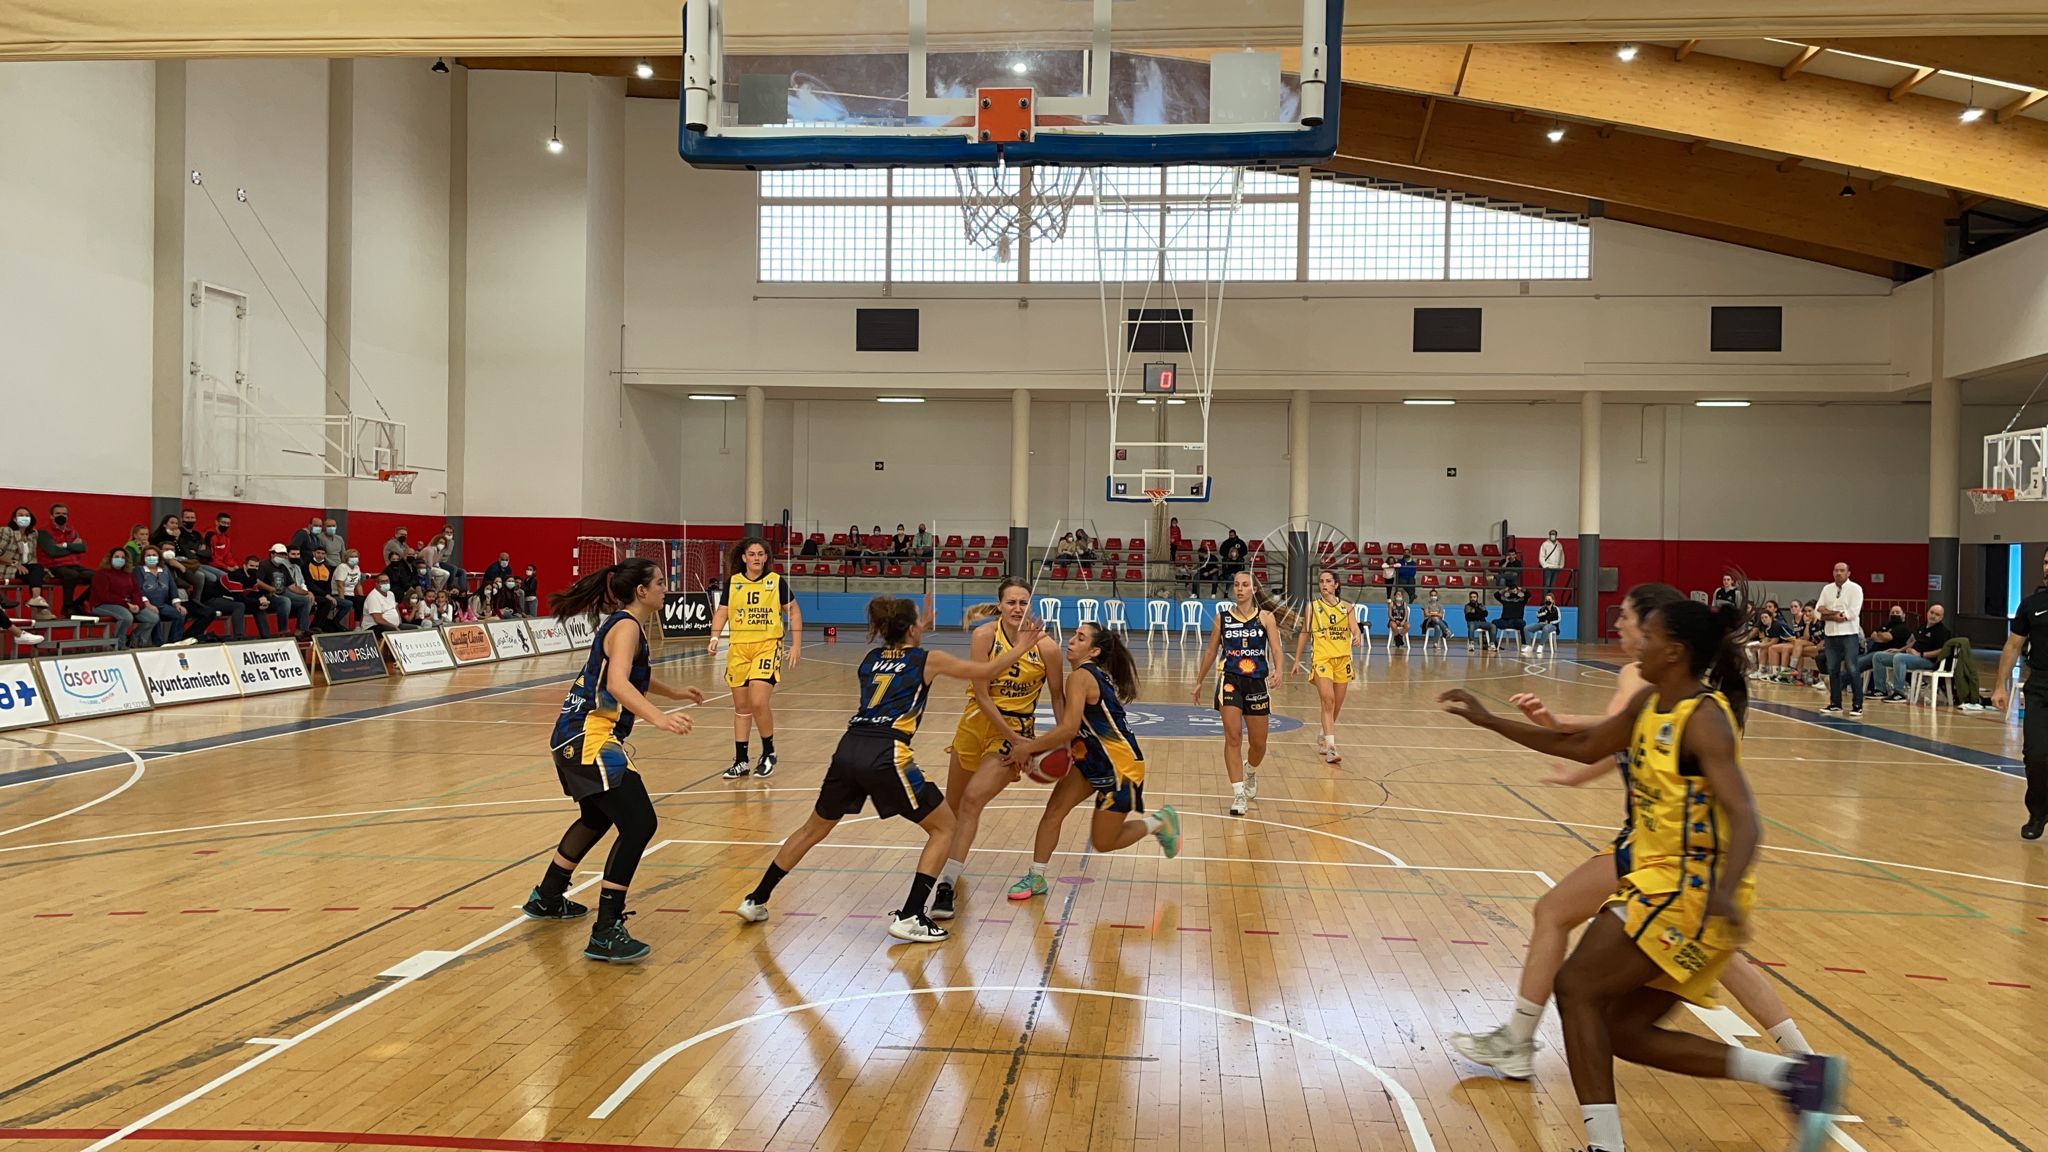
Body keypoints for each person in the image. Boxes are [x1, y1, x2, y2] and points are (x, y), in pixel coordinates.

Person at [1439, 599, 1846, 1152]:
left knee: (1576, 987)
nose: (1634, 642)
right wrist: (1488, 719)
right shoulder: (1651, 704)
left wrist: (1724, 893)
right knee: (1622, 1032)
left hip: (1689, 888)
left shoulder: (1703, 719)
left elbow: (1746, 818)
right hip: (1657, 879)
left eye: (1647, 634)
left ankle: (1605, 1145)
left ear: (1674, 652)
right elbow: (1580, 745)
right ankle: (1796, 1076)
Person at [735, 595, 1046, 943]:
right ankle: (912, 915)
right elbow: (987, 671)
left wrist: (916, 628)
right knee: (946, 827)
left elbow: (898, 657)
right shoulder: (929, 659)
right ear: (912, 628)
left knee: (812, 829)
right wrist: (1020, 647)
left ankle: (756, 898)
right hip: (888, 752)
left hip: (849, 749)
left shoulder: (869, 660)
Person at [526, 559, 704, 963]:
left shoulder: (627, 625)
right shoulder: (625, 627)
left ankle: (548, 897)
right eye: (660, 582)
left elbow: (632, 674)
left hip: (571, 735)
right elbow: (617, 683)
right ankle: (606, 930)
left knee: (596, 817)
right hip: (591, 737)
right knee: (640, 822)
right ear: (641, 591)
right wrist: (660, 718)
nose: (665, 587)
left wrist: (672, 693)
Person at [1003, 622, 1181, 902]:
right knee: (1053, 813)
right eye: (1074, 634)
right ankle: (1036, 876)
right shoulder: (1086, 674)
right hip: (1092, 760)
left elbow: (1069, 728)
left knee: (1103, 842)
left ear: (1094, 650)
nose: (1072, 640)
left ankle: (1159, 823)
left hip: (1122, 768)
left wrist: (1028, 748)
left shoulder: (1082, 677)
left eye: (1080, 637)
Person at [934, 579, 1065, 920]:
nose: (1017, 608)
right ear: (1000, 604)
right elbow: (981, 693)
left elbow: (1057, 696)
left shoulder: (1048, 648)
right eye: (1011, 602)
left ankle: (946, 884)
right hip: (976, 723)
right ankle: (944, 867)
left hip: (1014, 732)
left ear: (1030, 605)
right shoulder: (984, 636)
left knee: (973, 799)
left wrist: (1061, 739)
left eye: (1023, 602)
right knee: (952, 808)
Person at [710, 537, 802, 779]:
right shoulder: (733, 583)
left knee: (758, 701)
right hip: (739, 649)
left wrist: (796, 645)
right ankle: (741, 761)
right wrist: (714, 637)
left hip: (767, 646)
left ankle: (769, 752)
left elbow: (793, 611)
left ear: (766, 558)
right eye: (752, 554)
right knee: (742, 707)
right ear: (744, 558)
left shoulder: (775, 582)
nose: (757, 558)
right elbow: (722, 612)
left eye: (761, 554)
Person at [1193, 570, 1282, 817]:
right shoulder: (1222, 618)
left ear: (1254, 589)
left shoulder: (1266, 617)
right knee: (1233, 738)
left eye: (1245, 585)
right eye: (1236, 585)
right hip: (1230, 681)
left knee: (1259, 744)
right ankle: (1238, 793)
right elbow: (1211, 651)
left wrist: (1279, 670)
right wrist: (1199, 681)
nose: (1240, 588)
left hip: (1257, 682)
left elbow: (1276, 647)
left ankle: (1250, 770)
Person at [1991, 544, 2048, 840]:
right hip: (2040, 686)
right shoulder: (2031, 604)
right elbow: (2013, 645)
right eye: (2046, 562)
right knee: (2035, 755)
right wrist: (2000, 684)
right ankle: (2038, 812)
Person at [1293, 570, 1360, 764]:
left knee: (1336, 705)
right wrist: (1297, 660)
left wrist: (1357, 634)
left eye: (1328, 581)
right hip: (1322, 659)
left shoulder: (1347, 607)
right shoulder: (1313, 607)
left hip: (1343, 660)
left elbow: (1354, 627)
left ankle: (1323, 734)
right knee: (1327, 700)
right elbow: (1305, 633)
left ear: (1336, 585)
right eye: (1321, 581)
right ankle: (1331, 748)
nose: (1324, 584)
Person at [1814, 562, 1864, 717]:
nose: (1838, 573)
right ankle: (1835, 703)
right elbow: (1817, 612)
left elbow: (1850, 614)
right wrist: (1834, 614)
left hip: (1848, 634)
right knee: (1832, 669)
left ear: (1848, 573)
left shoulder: (1855, 589)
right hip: (1830, 635)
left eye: (1842, 571)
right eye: (1836, 570)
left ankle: (1857, 704)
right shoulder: (1827, 589)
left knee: (1852, 668)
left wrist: (1828, 613)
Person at [1869, 606, 1946, 701]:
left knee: (1899, 658)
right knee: (1878, 656)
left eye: (1937, 614)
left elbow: (1942, 651)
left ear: (1941, 617)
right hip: (1912, 656)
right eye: (1932, 612)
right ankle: (1880, 690)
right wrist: (1900, 649)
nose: (1933, 616)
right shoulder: (1923, 626)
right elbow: (1914, 642)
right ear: (1927, 613)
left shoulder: (1942, 631)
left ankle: (1899, 693)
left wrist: (1920, 654)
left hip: (1929, 661)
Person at [89, 549, 158, 649]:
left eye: (122, 558)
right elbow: (104, 595)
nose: (120, 559)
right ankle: (119, 643)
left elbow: (135, 592)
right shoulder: (102, 574)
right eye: (117, 557)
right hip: (102, 604)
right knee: (126, 617)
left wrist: (138, 605)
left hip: (127, 604)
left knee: (153, 618)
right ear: (110, 559)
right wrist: (126, 604)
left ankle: (136, 641)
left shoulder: (128, 575)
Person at [37, 503, 94, 616]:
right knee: (71, 575)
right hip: (53, 566)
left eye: (64, 514)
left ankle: (77, 603)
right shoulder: (44, 532)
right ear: (51, 516)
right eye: (58, 513)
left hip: (74, 564)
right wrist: (73, 547)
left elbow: (83, 547)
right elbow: (52, 552)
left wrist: (64, 545)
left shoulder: (71, 530)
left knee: (99, 577)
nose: (61, 516)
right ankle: (67, 607)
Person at [0, 508, 48, 619]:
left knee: (37, 569)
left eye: (27, 515)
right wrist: (15, 563)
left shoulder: (33, 534)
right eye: (21, 515)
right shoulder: (7, 531)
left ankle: (36, 598)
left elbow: (32, 556)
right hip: (7, 567)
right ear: (14, 518)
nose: (24, 517)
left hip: (25, 567)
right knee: (35, 573)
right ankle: (41, 609)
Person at [135, 545, 187, 646]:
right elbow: (138, 590)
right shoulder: (139, 570)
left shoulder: (165, 570)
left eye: (154, 555)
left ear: (159, 557)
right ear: (143, 557)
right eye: (148, 555)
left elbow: (172, 587)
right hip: (146, 605)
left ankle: (174, 642)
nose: (151, 557)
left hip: (162, 604)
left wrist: (177, 605)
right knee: (155, 615)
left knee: (180, 614)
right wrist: (148, 605)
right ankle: (158, 644)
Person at [266, 545, 314, 638]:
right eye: (293, 554)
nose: (296, 556)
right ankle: (283, 631)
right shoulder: (266, 565)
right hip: (270, 594)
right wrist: (269, 589)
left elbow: (295, 585)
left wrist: (307, 592)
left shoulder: (293, 567)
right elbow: (258, 582)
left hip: (287, 591)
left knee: (307, 600)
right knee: (286, 600)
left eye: (298, 554)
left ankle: (301, 630)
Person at [1494, 581, 1531, 646]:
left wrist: (1521, 589)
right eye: (1511, 591)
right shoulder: (1505, 600)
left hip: (1516, 621)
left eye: (1514, 591)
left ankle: (1524, 644)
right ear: (1509, 591)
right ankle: (1493, 643)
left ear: (1517, 591)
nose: (1513, 593)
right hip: (1504, 621)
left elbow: (1528, 594)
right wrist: (1504, 590)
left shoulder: (1521, 600)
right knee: (1494, 623)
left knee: (1522, 623)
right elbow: (1496, 595)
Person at [1539, 530, 1566, 597]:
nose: (1553, 535)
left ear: (1556, 535)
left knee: (1553, 585)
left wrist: (1561, 566)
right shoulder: (1545, 544)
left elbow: (1562, 556)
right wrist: (1545, 566)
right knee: (1547, 584)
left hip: (1556, 568)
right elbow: (1541, 556)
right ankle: (1544, 600)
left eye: (1554, 534)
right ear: (1549, 535)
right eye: (1551, 534)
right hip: (1548, 567)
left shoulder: (1559, 545)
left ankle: (1551, 600)